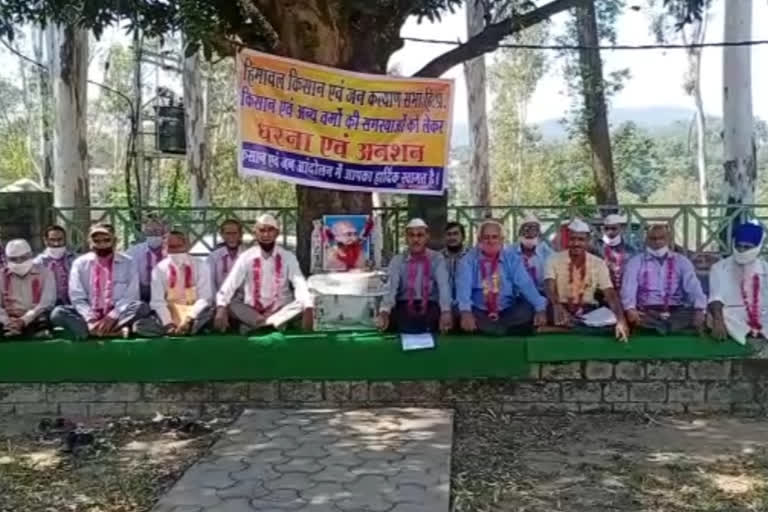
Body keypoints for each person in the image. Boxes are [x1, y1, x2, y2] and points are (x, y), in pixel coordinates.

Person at [214, 214, 313, 334]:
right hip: (253, 313)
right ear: (255, 233)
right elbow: (230, 284)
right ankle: (265, 323)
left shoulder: (287, 257)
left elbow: (299, 283)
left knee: (305, 302)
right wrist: (221, 308)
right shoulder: (246, 257)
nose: (266, 235)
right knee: (229, 303)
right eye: (262, 230)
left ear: (277, 233)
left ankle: (265, 324)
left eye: (270, 230)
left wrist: (308, 307)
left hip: (280, 311)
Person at [51, 224, 151, 340]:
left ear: (114, 241)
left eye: (106, 240)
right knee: (58, 313)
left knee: (142, 307)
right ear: (90, 242)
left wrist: (112, 316)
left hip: (117, 315)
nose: (102, 244)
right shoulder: (80, 263)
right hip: (88, 314)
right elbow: (77, 297)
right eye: (96, 241)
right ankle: (111, 332)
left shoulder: (128, 262)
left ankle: (92, 332)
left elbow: (131, 295)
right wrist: (90, 318)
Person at [543, 218, 630, 342]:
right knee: (558, 316)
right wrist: (556, 305)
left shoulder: (598, 263)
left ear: (588, 241)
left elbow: (610, 293)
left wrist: (621, 321)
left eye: (581, 239)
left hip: (587, 310)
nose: (576, 243)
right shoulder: (553, 259)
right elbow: (549, 286)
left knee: (616, 320)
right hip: (561, 306)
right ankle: (574, 326)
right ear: (568, 240)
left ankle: (560, 328)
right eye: (572, 239)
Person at [456, 219, 547, 335]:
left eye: (495, 237)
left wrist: (540, 308)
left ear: (502, 240)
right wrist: (465, 313)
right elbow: (463, 290)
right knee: (458, 310)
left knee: (527, 308)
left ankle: (492, 329)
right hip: (479, 310)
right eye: (486, 237)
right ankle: (503, 330)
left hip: (507, 310)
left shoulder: (512, 258)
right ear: (479, 240)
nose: (491, 241)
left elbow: (525, 284)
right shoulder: (468, 260)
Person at [620, 224, 707, 334]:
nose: (657, 242)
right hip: (647, 310)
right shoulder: (635, 262)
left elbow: (693, 287)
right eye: (653, 239)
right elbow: (629, 288)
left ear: (668, 239)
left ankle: (659, 326)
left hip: (676, 310)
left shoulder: (681, 261)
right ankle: (665, 326)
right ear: (646, 240)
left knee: (693, 313)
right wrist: (630, 309)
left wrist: (699, 309)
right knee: (629, 316)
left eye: (661, 238)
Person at [377, 218, 452, 334]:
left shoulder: (437, 259)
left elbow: (444, 286)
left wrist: (446, 311)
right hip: (404, 304)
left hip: (430, 304)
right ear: (406, 238)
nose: (415, 239)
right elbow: (390, 288)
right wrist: (384, 312)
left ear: (427, 237)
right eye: (411, 235)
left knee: (433, 323)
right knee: (399, 324)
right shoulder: (397, 260)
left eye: (420, 235)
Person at [135, 231, 214, 337]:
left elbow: (205, 298)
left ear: (187, 246)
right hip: (169, 312)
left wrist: (188, 319)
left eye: (179, 246)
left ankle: (188, 328)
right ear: (165, 248)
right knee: (139, 325)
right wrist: (168, 324)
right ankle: (181, 330)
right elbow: (157, 301)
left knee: (210, 312)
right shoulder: (159, 269)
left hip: (194, 314)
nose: (176, 251)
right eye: (172, 247)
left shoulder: (201, 265)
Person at [709, 222, 768, 344]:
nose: (741, 251)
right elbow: (715, 298)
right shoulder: (719, 267)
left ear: (758, 247)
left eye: (747, 247)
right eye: (738, 246)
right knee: (713, 319)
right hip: (731, 316)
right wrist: (718, 320)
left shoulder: (765, 268)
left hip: (762, 315)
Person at [0, 239, 56, 338]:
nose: (19, 262)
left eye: (23, 258)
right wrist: (7, 321)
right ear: (7, 259)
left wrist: (24, 320)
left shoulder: (46, 273)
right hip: (8, 319)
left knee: (45, 318)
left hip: (36, 317)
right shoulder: (1, 275)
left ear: (31, 255)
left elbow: (46, 302)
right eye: (13, 259)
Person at [126, 215, 168, 301]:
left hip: (164, 289)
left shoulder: (170, 250)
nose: (153, 234)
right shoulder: (134, 251)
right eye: (149, 231)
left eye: (157, 231)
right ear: (145, 232)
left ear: (163, 232)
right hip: (142, 289)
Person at [592, 214, 638, 292]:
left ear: (621, 228)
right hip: (601, 292)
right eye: (606, 229)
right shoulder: (596, 248)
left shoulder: (631, 251)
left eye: (614, 228)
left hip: (623, 291)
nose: (610, 232)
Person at [34, 225, 76, 305]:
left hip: (72, 304)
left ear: (65, 239)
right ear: (45, 241)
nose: (56, 243)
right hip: (47, 305)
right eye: (52, 240)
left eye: (59, 239)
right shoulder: (38, 263)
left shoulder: (75, 260)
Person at [512, 214, 553, 292]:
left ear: (539, 234)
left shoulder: (546, 252)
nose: (530, 232)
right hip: (517, 296)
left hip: (541, 293)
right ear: (520, 233)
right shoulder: (511, 252)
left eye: (534, 229)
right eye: (526, 229)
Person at [208, 219, 245, 292]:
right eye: (228, 233)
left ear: (240, 234)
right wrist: (216, 300)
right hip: (220, 299)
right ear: (222, 235)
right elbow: (210, 281)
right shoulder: (214, 256)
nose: (231, 236)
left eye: (235, 233)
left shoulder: (248, 254)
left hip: (244, 300)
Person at [442, 221, 467, 304]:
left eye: (455, 234)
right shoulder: (438, 258)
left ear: (463, 237)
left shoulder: (471, 257)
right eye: (449, 234)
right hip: (443, 304)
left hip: (467, 304)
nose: (452, 237)